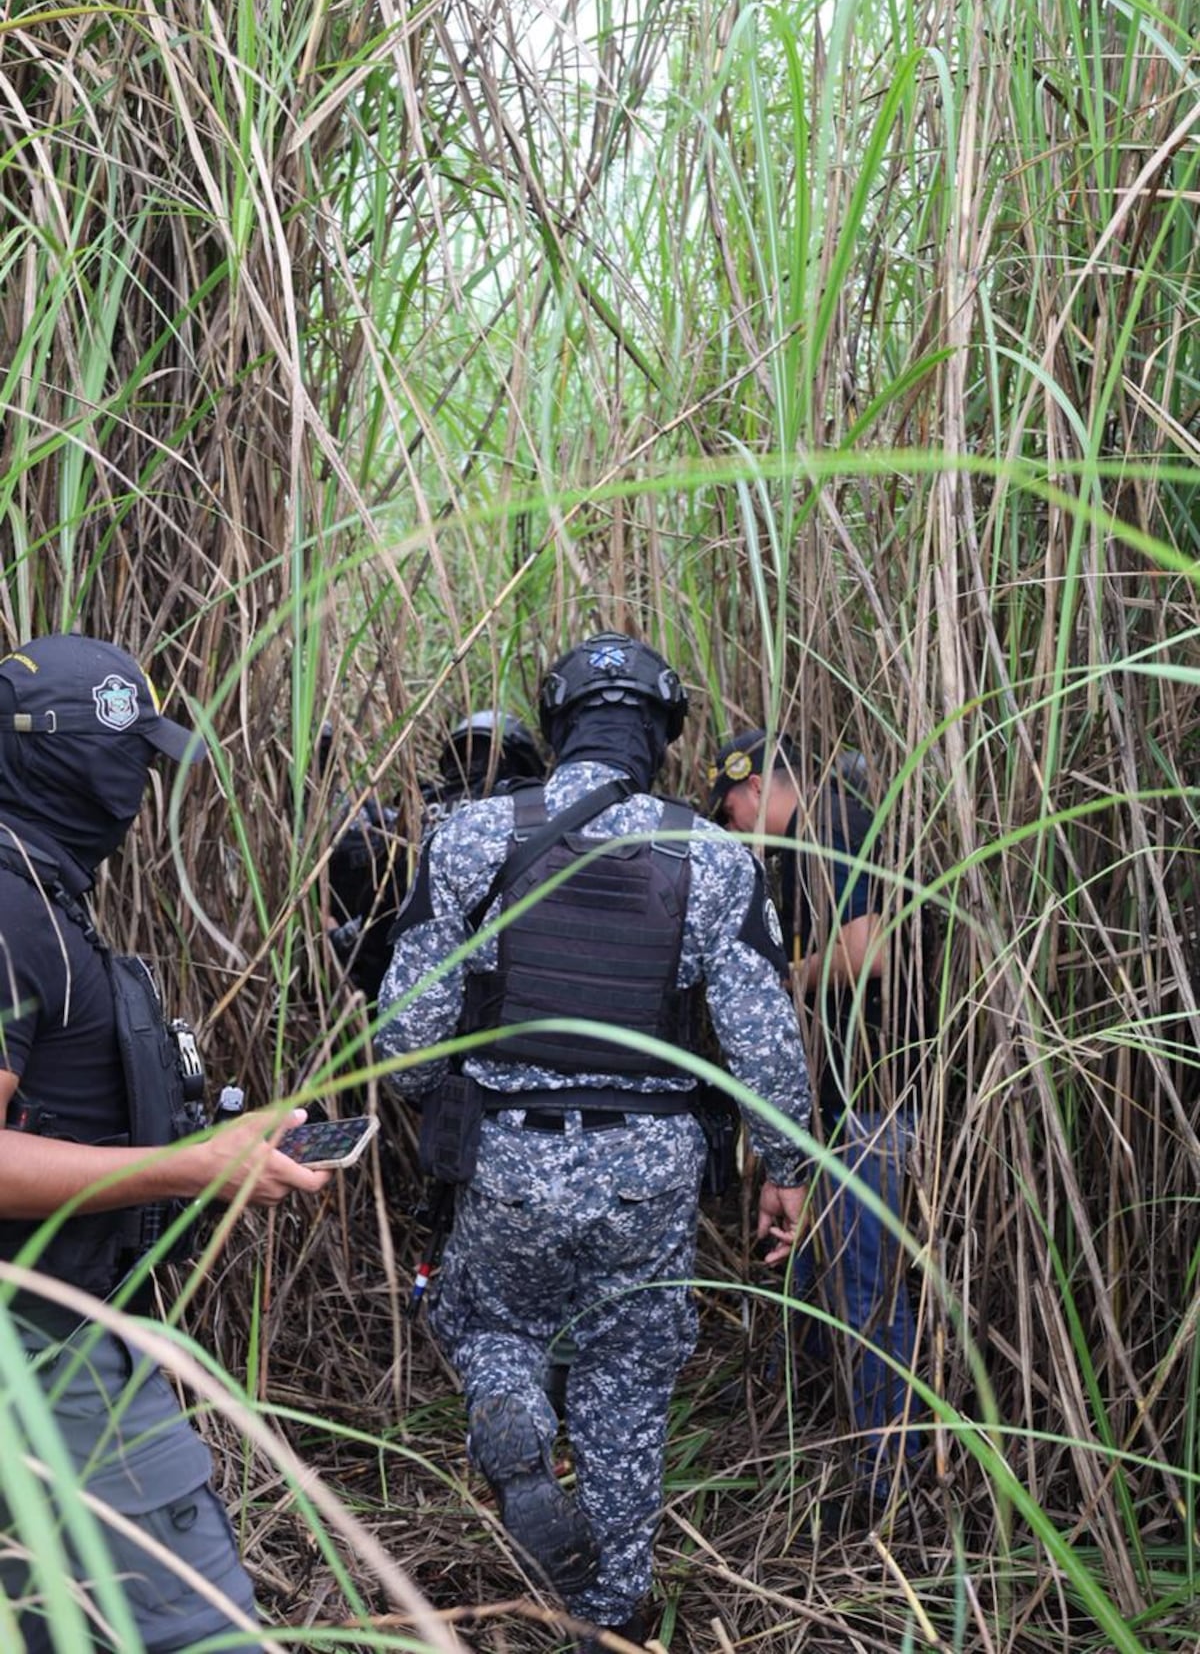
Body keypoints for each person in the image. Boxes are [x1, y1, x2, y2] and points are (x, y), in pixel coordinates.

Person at [375, 633, 810, 1644]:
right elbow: (764, 1044)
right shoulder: (713, 854)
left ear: (559, 722)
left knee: (486, 1322)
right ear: (661, 735)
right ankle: (607, 1616)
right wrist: (786, 1169)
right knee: (628, 1375)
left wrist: (453, 1092)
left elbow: (402, 1040)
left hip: (509, 1159)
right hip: (649, 1169)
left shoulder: (472, 834)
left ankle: (513, 1412)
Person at [0, 633, 331, 1650]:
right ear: (69, 758)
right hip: (47, 1356)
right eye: (131, 760)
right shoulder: (9, 908)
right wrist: (189, 1166)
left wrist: (209, 1138)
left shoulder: (39, 891)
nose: (143, 790)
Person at [707, 727, 926, 1512]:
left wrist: (779, 981)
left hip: (874, 1102)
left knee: (866, 1290)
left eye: (728, 810)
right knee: (817, 1272)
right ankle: (790, 1410)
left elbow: (871, 951)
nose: (732, 827)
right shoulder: (813, 836)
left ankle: (892, 1481)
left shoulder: (830, 826)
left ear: (753, 785)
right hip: (845, 1103)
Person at [327, 711, 546, 1002]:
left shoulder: (414, 810)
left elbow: (375, 903)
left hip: (392, 986)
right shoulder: (520, 815)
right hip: (484, 994)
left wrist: (339, 938)